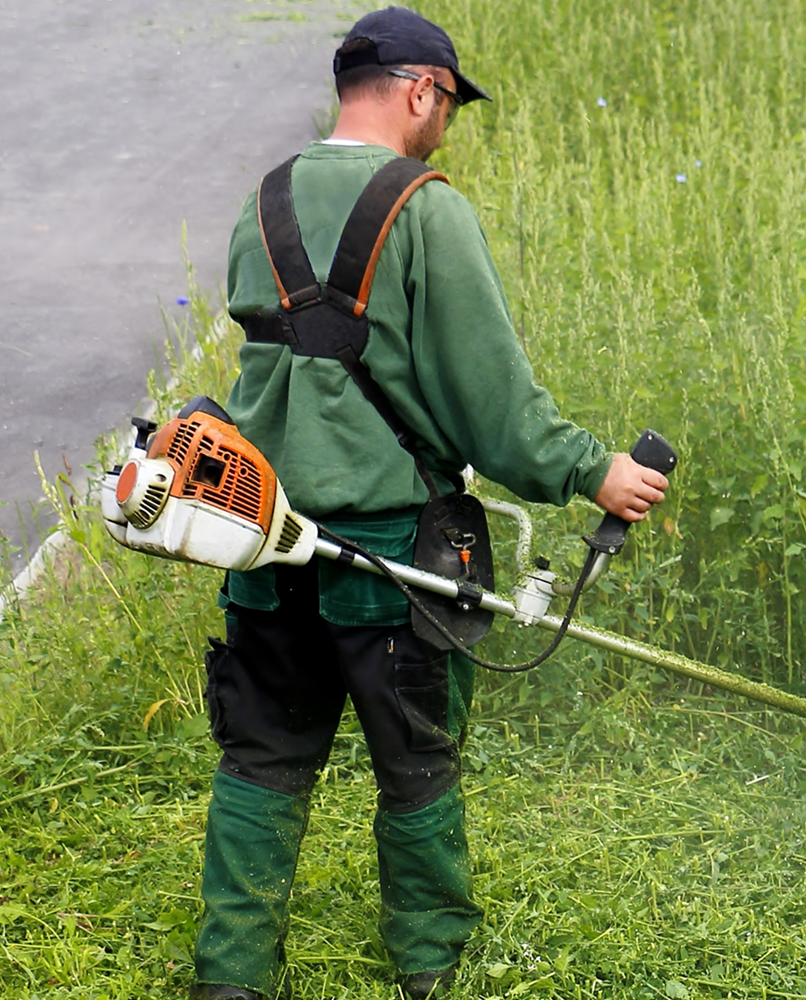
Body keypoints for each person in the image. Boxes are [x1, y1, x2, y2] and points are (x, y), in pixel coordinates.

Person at [189, 8, 667, 999]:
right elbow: (495, 406)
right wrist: (594, 471)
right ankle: (425, 964)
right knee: (415, 766)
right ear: (419, 91)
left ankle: (230, 976)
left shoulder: (263, 200)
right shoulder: (425, 208)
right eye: (447, 105)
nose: (445, 125)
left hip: (263, 541)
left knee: (262, 762)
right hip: (393, 555)